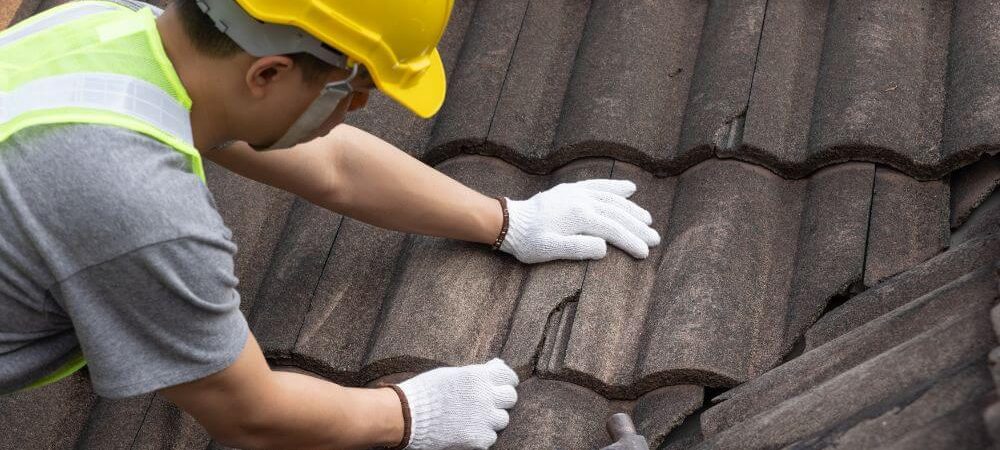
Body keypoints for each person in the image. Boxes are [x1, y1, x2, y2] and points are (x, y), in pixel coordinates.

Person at [0, 0, 661, 448]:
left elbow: (332, 166)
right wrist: (405, 415)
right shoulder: (137, 206)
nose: (355, 110)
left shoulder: (108, 29)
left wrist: (508, 219)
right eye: (353, 90)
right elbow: (247, 412)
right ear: (269, 71)